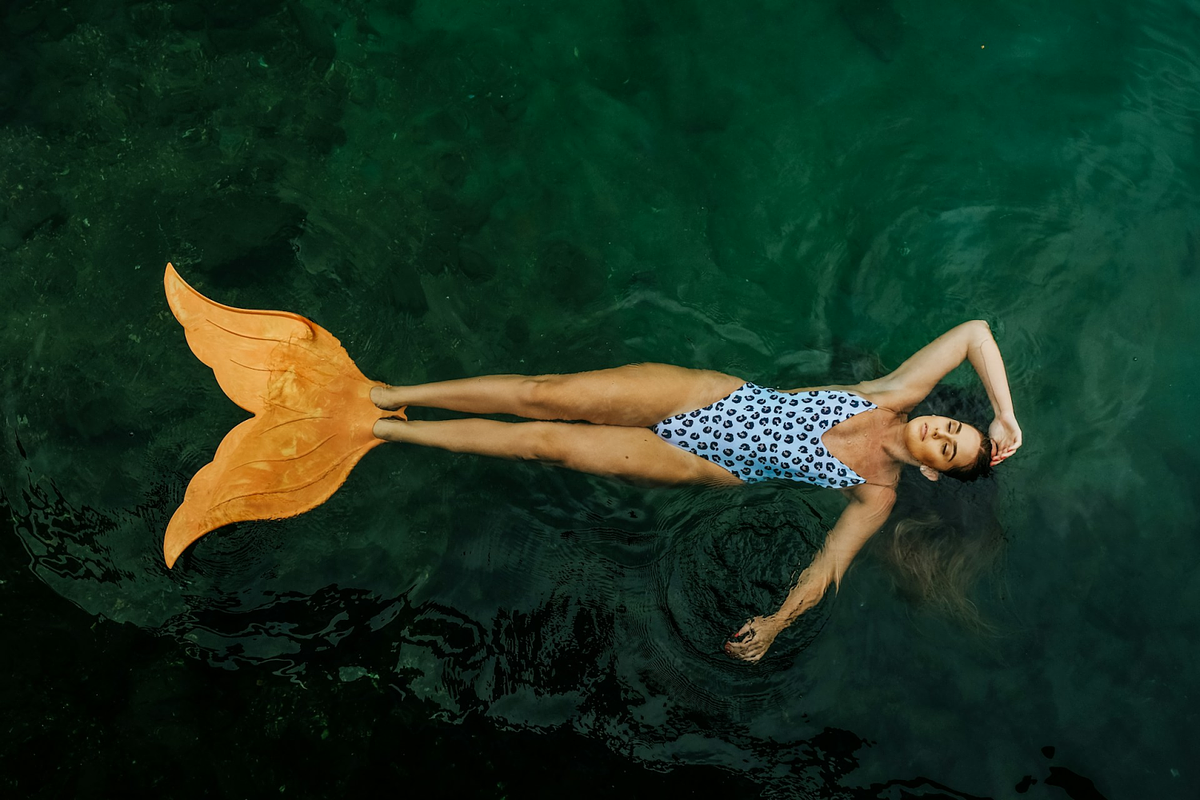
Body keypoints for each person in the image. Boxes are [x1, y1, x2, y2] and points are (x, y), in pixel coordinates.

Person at [369, 320, 1022, 663]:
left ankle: (393, 435)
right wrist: (1002, 416)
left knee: (548, 442)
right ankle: (399, 396)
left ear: (932, 471)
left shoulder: (875, 494)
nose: (942, 431)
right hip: (709, 394)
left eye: (946, 448)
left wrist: (775, 622)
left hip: (693, 458)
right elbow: (975, 333)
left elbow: (827, 567)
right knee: (548, 393)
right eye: (953, 427)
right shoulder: (896, 395)